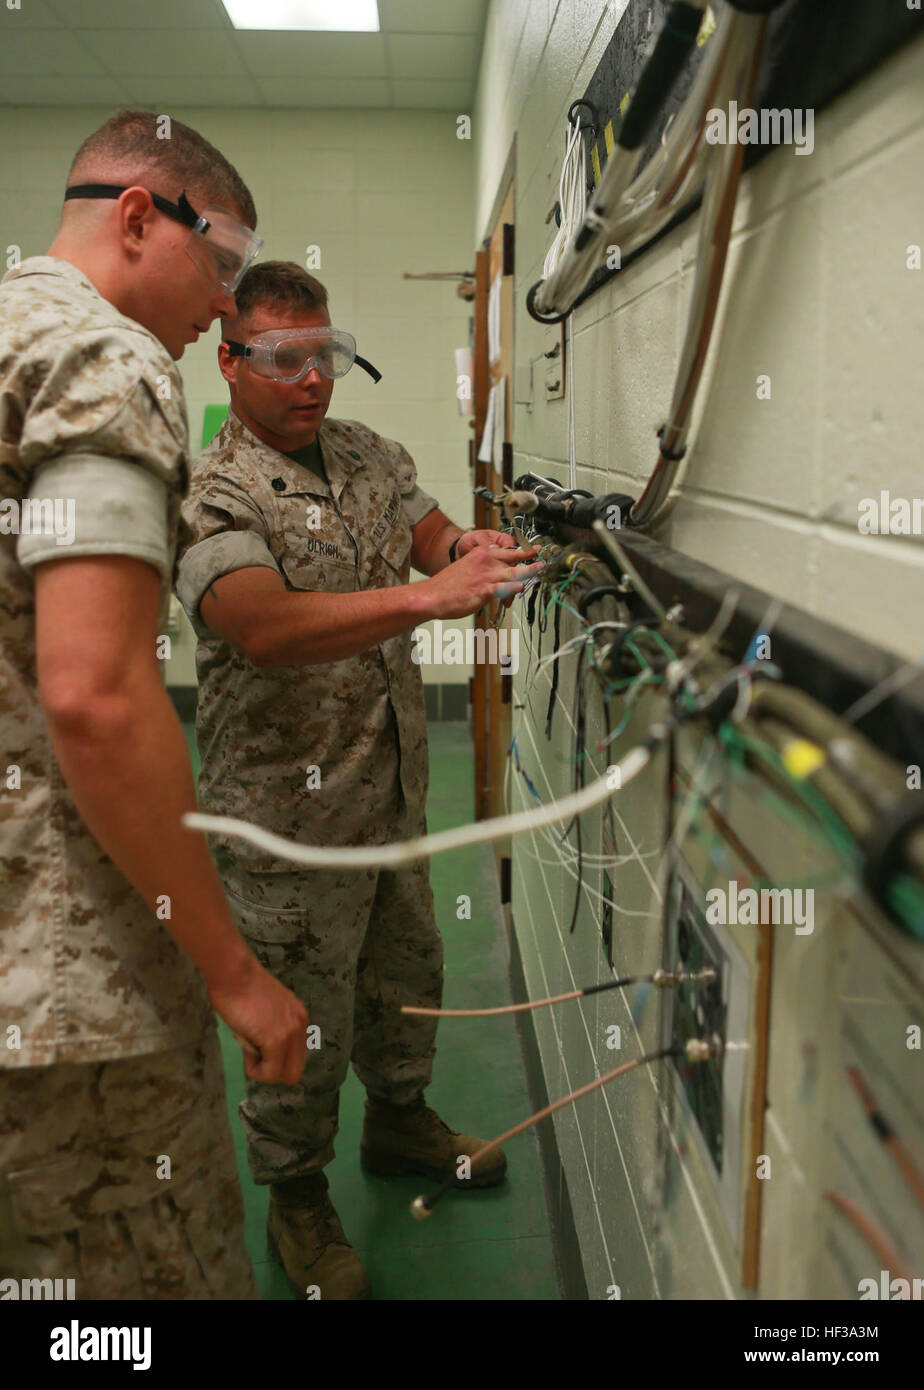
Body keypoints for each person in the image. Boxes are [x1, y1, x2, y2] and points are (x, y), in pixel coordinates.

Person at [176, 260, 542, 1300]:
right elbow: (260, 625)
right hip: (287, 826)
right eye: (285, 359)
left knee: (404, 976)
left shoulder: (372, 455)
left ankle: (400, 1124)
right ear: (231, 359)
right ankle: (296, 1197)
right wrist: (430, 601)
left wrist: (464, 547)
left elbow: (429, 534)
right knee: (298, 1018)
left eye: (325, 355)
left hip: (387, 798)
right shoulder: (216, 491)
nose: (311, 379)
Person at [0, 112, 309, 1301]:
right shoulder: (100, 362)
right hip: (66, 985)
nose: (225, 313)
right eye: (221, 268)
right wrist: (231, 970)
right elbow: (97, 693)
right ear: (139, 216)